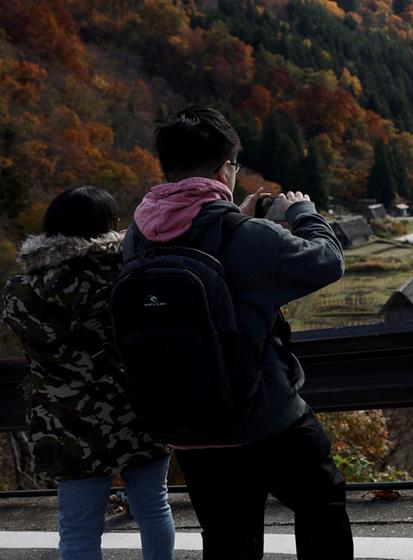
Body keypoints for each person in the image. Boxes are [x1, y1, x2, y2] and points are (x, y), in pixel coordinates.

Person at [124, 106, 352, 558]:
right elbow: (327, 261)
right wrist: (304, 213)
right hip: (265, 413)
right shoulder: (243, 235)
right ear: (224, 167)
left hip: (187, 421)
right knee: (320, 504)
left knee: (228, 537)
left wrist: (233, 215)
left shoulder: (138, 235)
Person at [2, 186, 174, 559]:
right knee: (153, 508)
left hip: (65, 421)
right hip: (137, 409)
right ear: (109, 225)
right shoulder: (128, 276)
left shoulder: (20, 291)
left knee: (78, 529)